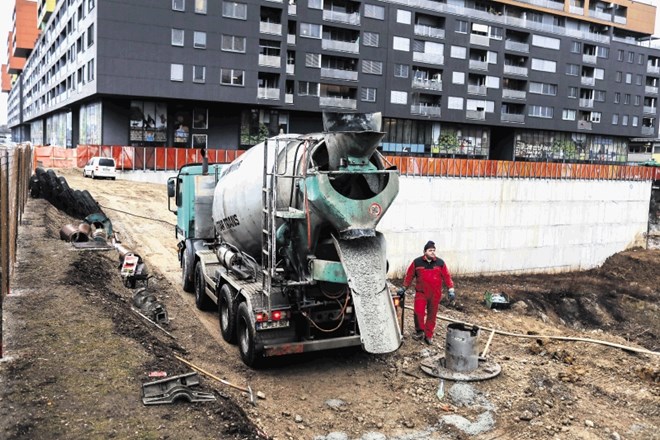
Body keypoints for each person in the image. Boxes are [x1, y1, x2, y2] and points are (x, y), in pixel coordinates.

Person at [398, 241, 455, 345]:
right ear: (425, 252)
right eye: (430, 250)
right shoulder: (417, 262)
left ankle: (428, 335)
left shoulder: (440, 263)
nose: (433, 252)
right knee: (418, 312)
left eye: (434, 250)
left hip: (435, 294)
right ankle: (420, 331)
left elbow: (447, 276)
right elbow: (409, 275)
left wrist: (451, 289)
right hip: (421, 293)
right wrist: (403, 288)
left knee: (432, 315)